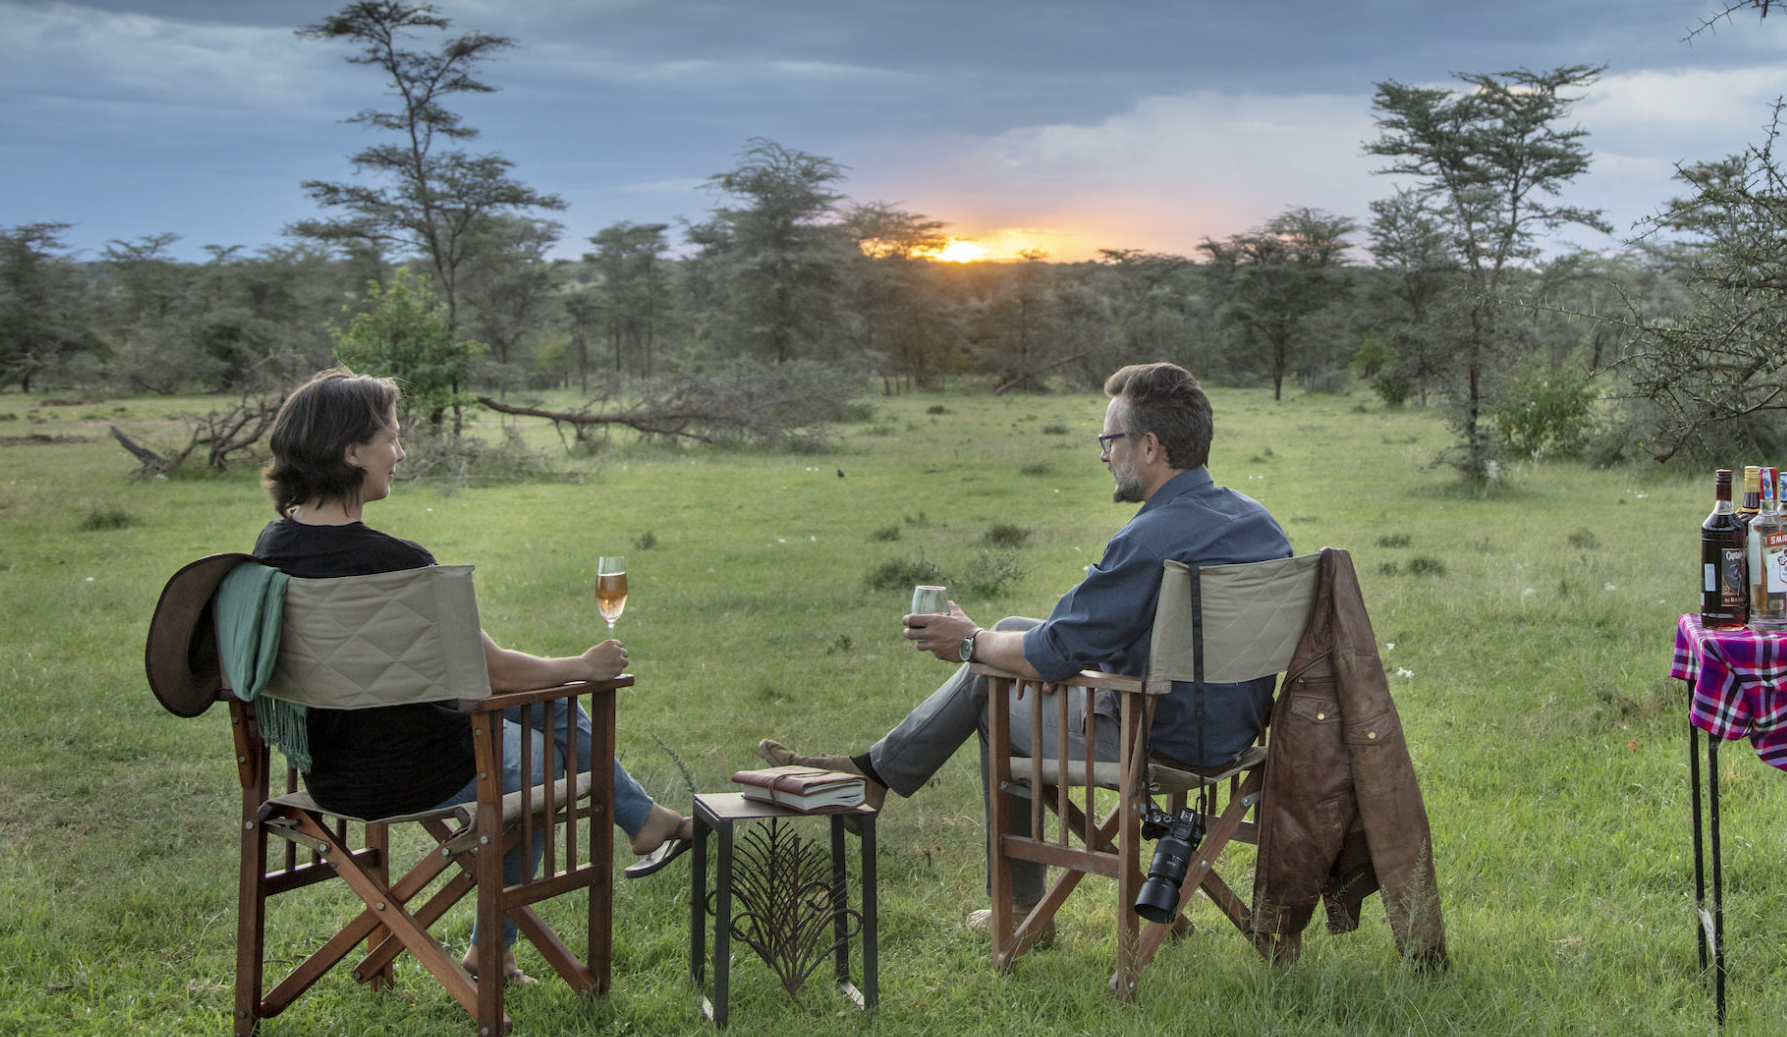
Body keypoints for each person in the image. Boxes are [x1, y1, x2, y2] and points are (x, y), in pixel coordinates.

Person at [763, 362, 1290, 930]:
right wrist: (990, 639)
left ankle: (1017, 910)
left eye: (1109, 441)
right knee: (1009, 629)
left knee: (990, 686)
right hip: (1232, 736)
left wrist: (970, 644)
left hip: (1153, 736)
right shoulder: (1257, 522)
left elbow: (1057, 653)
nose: (1104, 455)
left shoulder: (1152, 536)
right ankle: (877, 771)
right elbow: (1076, 633)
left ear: (1150, 447)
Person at [250, 368, 692, 983]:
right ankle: (496, 945)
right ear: (352, 452)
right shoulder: (401, 567)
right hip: (417, 770)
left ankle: (644, 821)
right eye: (392, 439)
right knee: (543, 749)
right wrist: (583, 667)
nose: (399, 454)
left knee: (555, 713)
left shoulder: (268, 554)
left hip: (329, 769)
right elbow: (498, 674)